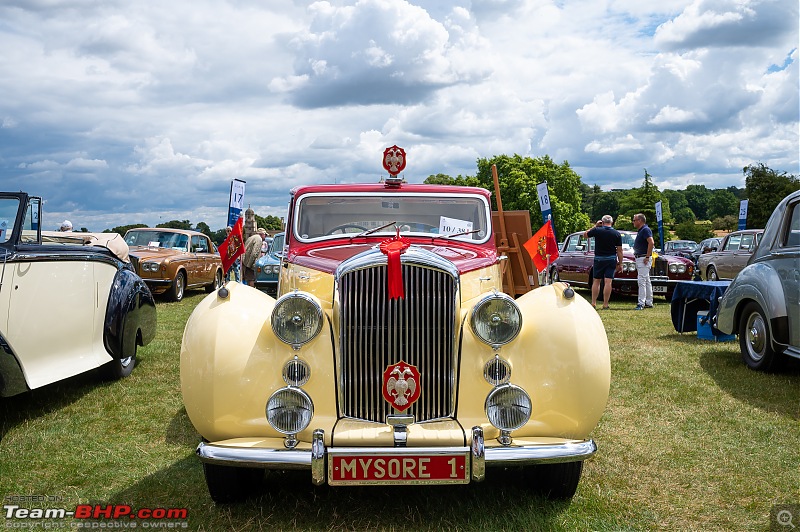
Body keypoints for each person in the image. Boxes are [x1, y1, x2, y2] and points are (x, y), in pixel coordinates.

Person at [584, 215, 623, 310]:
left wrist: (595, 226)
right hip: (611, 259)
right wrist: (620, 263)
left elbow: (585, 235)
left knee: (596, 281)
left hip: (599, 258)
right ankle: (605, 304)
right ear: (612, 222)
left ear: (602, 222)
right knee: (608, 281)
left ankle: (593, 302)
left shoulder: (597, 230)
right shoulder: (616, 234)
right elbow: (619, 250)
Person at [632, 213, 655, 310]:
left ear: (639, 221)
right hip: (641, 257)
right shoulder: (642, 230)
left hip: (643, 258)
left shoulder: (645, 230)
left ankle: (641, 303)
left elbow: (651, 242)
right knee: (646, 280)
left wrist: (647, 256)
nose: (633, 222)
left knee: (641, 280)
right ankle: (649, 302)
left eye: (634, 220)